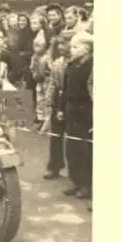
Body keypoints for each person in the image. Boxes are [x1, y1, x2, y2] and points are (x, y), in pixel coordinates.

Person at [57, 32, 93, 199]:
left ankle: (86, 185)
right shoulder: (71, 64)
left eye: (75, 47)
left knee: (84, 148)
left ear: (86, 48)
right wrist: (61, 108)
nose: (71, 49)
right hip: (71, 109)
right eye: (71, 46)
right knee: (71, 146)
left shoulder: (91, 64)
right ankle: (75, 180)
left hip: (85, 110)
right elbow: (65, 89)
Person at [41, 32, 70, 179]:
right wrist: (49, 102)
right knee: (55, 136)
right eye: (59, 44)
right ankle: (54, 166)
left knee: (73, 139)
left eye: (64, 43)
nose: (61, 47)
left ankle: (77, 173)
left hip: (72, 100)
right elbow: (52, 84)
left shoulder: (76, 62)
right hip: (59, 100)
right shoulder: (58, 63)